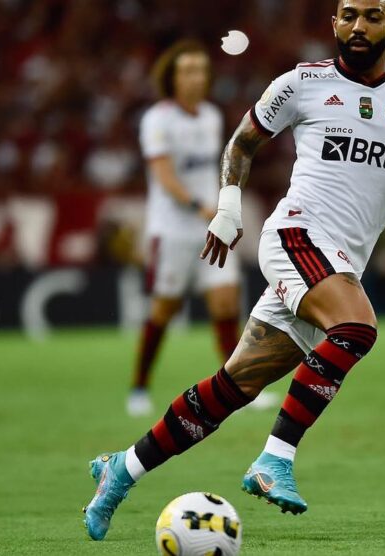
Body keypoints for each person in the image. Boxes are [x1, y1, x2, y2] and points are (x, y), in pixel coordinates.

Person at [84, 0, 385, 540]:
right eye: (348, 15)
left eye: (371, 16)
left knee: (234, 386)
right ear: (334, 24)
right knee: (357, 327)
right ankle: (275, 458)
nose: (358, 26)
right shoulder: (301, 83)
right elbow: (242, 143)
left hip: (340, 261)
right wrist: (228, 209)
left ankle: (121, 469)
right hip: (296, 236)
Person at [130, 40, 269, 417]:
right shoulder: (157, 119)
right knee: (164, 309)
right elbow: (164, 176)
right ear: (172, 78)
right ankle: (139, 387)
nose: (196, 78)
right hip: (171, 230)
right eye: (188, 71)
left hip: (210, 226)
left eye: (201, 71)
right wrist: (201, 207)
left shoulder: (210, 116)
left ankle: (238, 388)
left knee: (225, 302)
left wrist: (218, 207)